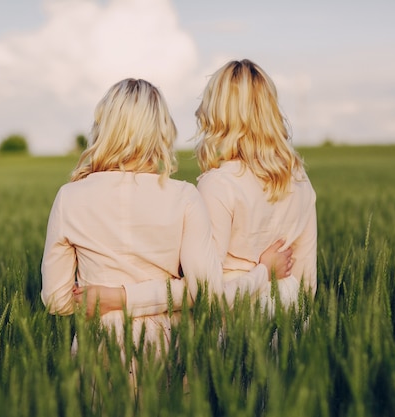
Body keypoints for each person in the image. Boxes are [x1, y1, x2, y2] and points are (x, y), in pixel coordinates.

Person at [41, 78, 292, 351]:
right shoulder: (184, 197)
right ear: (162, 131)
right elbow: (205, 293)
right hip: (169, 349)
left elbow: (56, 300)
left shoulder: (69, 197)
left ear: (104, 129)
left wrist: (98, 297)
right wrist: (264, 271)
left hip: (98, 352)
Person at [77, 59, 316, 316]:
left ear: (221, 113)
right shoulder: (300, 182)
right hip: (292, 310)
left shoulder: (220, 184)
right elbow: (307, 283)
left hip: (237, 315)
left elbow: (205, 292)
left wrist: (120, 297)